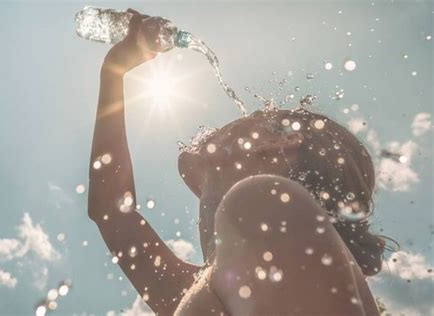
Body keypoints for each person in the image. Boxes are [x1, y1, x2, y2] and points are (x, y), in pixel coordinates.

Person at [88, 9, 387, 316]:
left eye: (258, 115)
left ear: (282, 141)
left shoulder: (263, 201)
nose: (230, 123)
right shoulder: (201, 287)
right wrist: (114, 72)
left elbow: (112, 212)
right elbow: (111, 211)